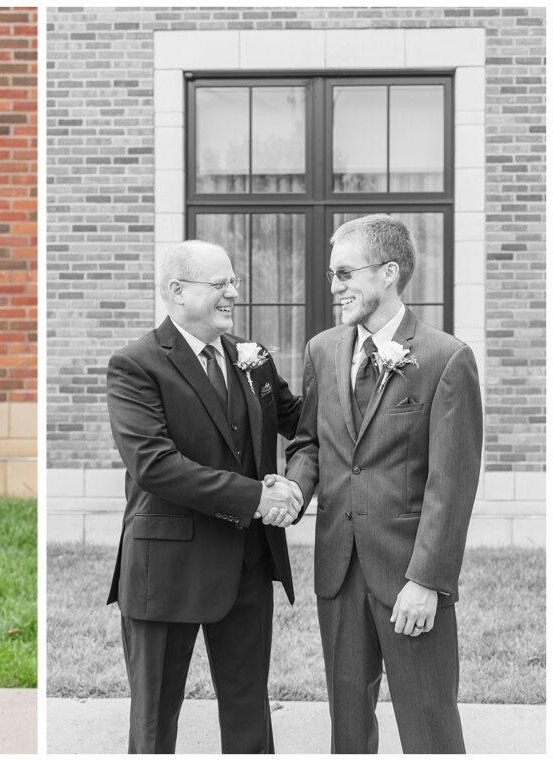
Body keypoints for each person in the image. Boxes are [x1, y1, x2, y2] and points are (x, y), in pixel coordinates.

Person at [285, 214, 483, 753]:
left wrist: (427, 580)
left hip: (410, 577)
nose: (334, 287)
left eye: (345, 274)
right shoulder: (322, 350)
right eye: (332, 275)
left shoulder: (446, 358)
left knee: (429, 727)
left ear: (389, 272)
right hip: (339, 571)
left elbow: (452, 483)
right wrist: (296, 490)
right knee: (347, 731)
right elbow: (309, 444)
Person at [105, 240, 304, 754]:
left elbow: (302, 422)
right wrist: (258, 497)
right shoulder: (136, 364)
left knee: (249, 714)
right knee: (153, 722)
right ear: (177, 291)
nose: (234, 292)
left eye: (233, 282)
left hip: (247, 564)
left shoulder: (252, 359)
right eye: (221, 284)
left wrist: (298, 482)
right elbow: (156, 466)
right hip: (166, 569)